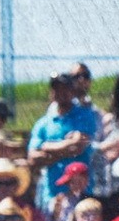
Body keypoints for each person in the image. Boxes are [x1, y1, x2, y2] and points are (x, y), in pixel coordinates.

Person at [26, 73, 99, 209]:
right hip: (52, 194)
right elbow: (33, 158)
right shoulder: (43, 124)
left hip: (82, 192)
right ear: (51, 93)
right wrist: (67, 146)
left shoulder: (85, 115)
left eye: (65, 88)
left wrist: (47, 147)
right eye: (56, 89)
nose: (61, 92)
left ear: (73, 91)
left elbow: (79, 146)